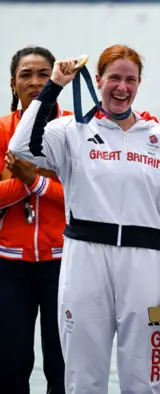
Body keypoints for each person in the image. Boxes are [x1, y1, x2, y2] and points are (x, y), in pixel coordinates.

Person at [7, 44, 160, 394]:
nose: (121, 87)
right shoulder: (70, 129)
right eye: (114, 78)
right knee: (83, 379)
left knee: (144, 380)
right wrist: (53, 86)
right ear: (98, 80)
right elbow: (22, 148)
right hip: (85, 261)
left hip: (145, 267)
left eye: (130, 80)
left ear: (139, 84)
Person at [0, 46, 70, 394]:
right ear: (13, 84)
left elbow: (83, 200)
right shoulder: (1, 130)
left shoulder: (75, 128)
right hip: (9, 266)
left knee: (62, 365)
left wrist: (33, 180)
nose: (36, 82)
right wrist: (32, 179)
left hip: (66, 262)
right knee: (11, 364)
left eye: (44, 74)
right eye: (26, 75)